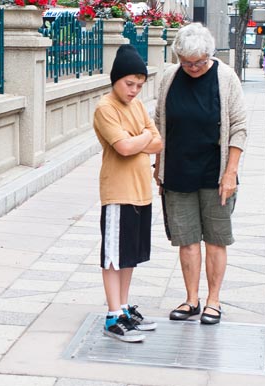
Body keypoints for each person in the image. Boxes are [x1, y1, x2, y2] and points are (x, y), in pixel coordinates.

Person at [153, 23, 247, 325]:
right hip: (178, 172)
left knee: (216, 239)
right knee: (187, 240)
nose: (193, 67)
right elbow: (159, 123)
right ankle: (191, 299)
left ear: (209, 54)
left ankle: (213, 301)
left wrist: (230, 173)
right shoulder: (169, 78)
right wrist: (158, 167)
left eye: (199, 62)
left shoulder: (225, 77)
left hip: (215, 174)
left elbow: (239, 128)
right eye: (187, 62)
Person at [93, 44, 163, 342]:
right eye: (129, 84)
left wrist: (142, 138)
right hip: (118, 193)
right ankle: (112, 317)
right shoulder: (105, 108)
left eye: (139, 85)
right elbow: (123, 148)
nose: (134, 90)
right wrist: (144, 137)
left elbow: (158, 142)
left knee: (129, 256)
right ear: (116, 80)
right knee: (113, 257)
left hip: (141, 192)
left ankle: (122, 307)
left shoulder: (136, 106)